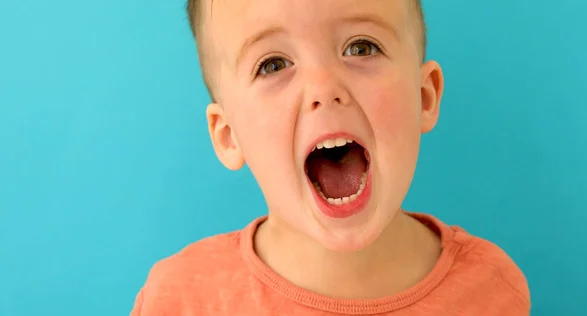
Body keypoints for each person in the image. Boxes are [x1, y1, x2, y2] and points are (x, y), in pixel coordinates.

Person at [130, 0, 531, 314]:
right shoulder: (181, 301)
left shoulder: (492, 288)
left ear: (424, 96)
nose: (323, 86)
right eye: (273, 64)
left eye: (361, 47)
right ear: (228, 135)